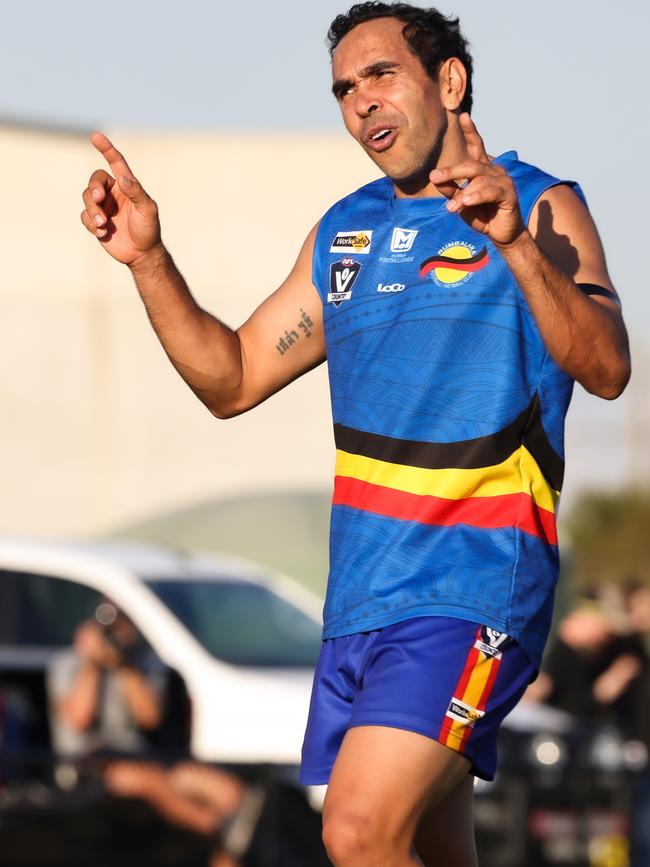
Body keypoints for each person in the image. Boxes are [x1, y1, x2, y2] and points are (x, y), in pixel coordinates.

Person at [79, 3, 630, 864]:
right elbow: (230, 378)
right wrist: (149, 258)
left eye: (381, 75)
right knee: (422, 846)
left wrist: (518, 246)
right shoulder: (347, 231)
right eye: (344, 88)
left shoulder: (539, 202)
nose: (361, 101)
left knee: (359, 831)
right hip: (360, 605)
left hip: (471, 592)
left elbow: (606, 367)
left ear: (449, 82)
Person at [47, 601, 167, 759]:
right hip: (84, 758)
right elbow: (79, 720)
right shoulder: (68, 663)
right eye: (105, 628)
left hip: (131, 754)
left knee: (191, 776)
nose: (111, 635)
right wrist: (91, 663)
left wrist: (124, 663)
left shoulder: (144, 661)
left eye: (119, 624)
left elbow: (150, 718)